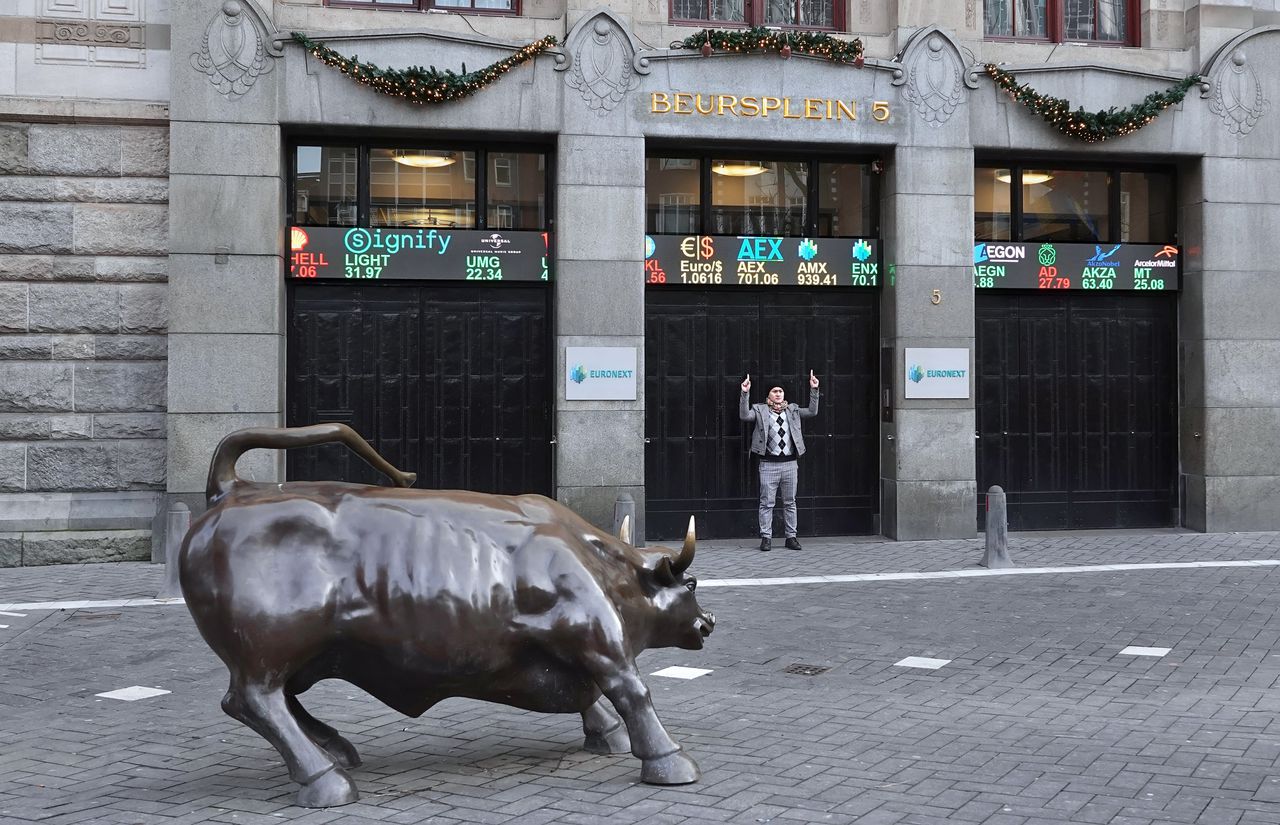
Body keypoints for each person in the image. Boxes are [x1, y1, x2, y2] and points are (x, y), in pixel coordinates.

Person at [739, 371, 820, 552]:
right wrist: (745, 393)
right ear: (769, 394)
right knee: (767, 502)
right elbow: (744, 415)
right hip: (768, 464)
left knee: (790, 502)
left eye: (780, 391)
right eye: (774, 391)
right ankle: (766, 538)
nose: (778, 394)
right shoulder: (760, 410)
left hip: (790, 464)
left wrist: (814, 390)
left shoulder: (793, 410)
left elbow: (813, 412)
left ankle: (791, 537)